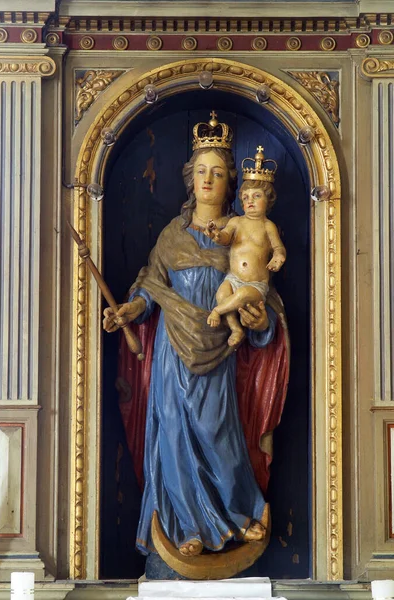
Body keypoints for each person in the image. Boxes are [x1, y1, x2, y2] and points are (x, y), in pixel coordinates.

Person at [103, 113, 289, 564]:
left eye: (219, 172)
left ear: (232, 184)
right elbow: (151, 285)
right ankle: (186, 524)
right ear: (190, 178)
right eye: (202, 170)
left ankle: (240, 509)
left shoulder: (242, 233)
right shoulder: (172, 234)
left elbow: (265, 301)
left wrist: (260, 321)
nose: (209, 179)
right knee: (172, 430)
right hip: (171, 346)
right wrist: (131, 309)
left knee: (217, 429)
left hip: (217, 345)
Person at [206, 146, 286, 348]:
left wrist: (278, 257)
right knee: (222, 295)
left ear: (268, 199)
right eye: (246, 197)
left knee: (240, 297)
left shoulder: (268, 226)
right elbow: (225, 238)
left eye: (256, 196)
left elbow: (278, 248)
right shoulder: (236, 222)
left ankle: (217, 311)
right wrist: (216, 235)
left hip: (255, 285)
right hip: (233, 278)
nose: (250, 201)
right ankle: (235, 328)